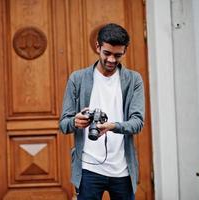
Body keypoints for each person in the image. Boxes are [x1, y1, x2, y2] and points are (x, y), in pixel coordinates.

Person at [59, 23, 145, 200]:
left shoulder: (134, 80)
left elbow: (137, 123)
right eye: (107, 53)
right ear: (97, 47)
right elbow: (63, 124)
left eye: (118, 55)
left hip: (122, 169)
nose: (112, 60)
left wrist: (113, 126)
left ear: (125, 51)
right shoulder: (77, 79)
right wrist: (76, 122)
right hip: (88, 169)